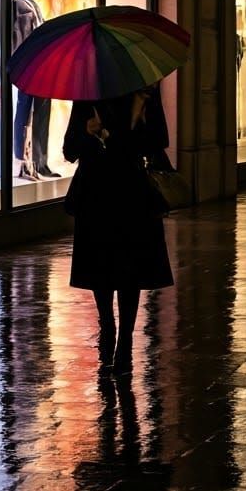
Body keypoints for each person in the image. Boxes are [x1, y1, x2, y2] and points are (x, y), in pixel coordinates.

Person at [62, 85, 174, 374]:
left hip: (131, 190)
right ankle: (108, 324)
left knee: (130, 270)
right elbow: (70, 148)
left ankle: (124, 340)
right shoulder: (88, 92)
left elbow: (159, 141)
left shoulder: (144, 92)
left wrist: (134, 126)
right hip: (96, 191)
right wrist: (89, 132)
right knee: (101, 268)